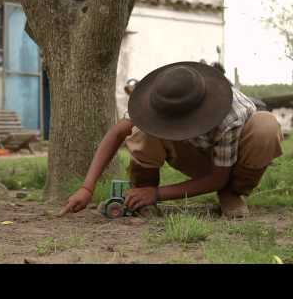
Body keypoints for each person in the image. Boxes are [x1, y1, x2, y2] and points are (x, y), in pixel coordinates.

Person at [60, 62, 284, 219]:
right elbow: (117, 133)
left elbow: (217, 177)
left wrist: (158, 194)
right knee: (141, 131)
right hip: (190, 157)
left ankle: (232, 194)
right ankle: (141, 195)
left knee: (266, 126)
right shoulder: (158, 98)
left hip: (227, 165)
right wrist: (87, 187)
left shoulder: (231, 112)